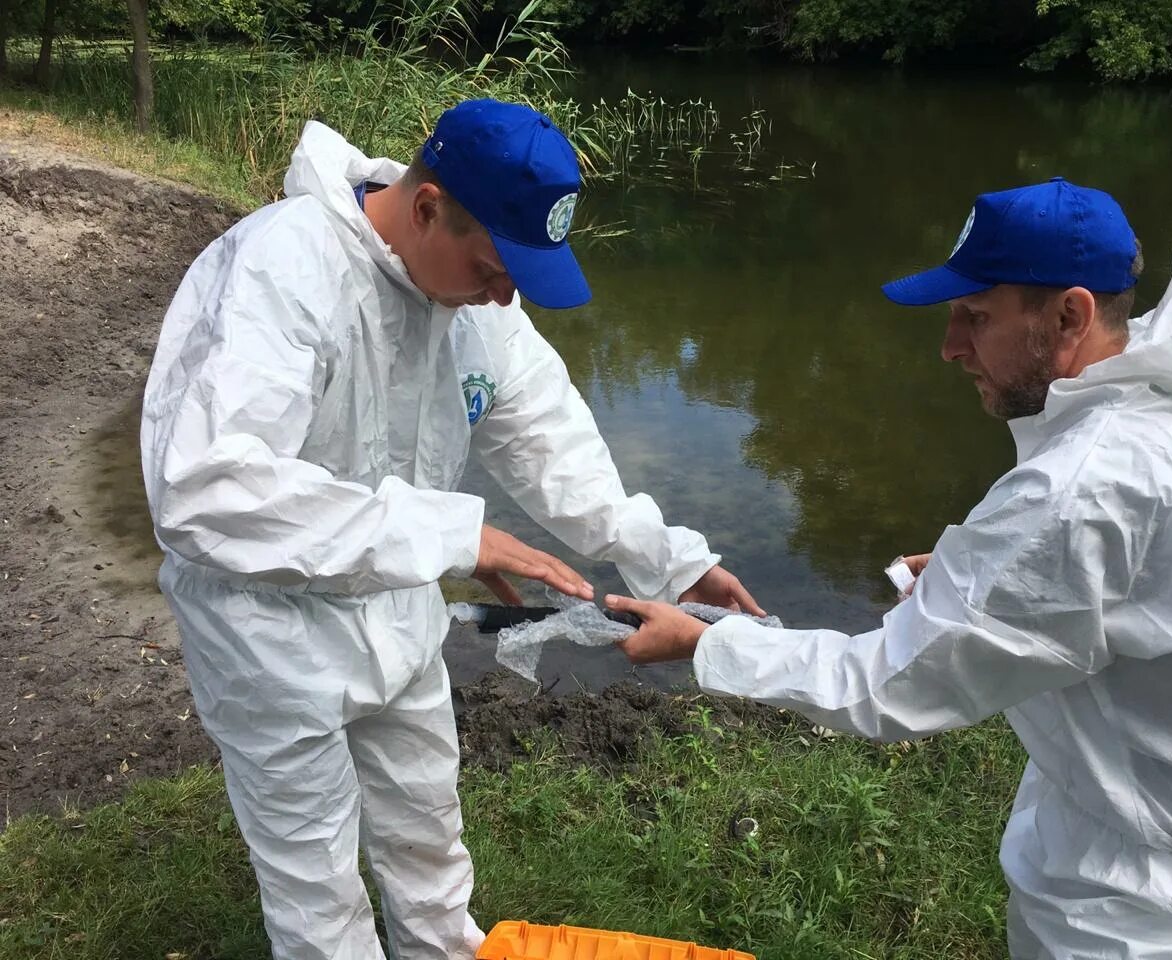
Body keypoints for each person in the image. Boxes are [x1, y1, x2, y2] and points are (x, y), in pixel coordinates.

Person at [140, 98, 762, 960]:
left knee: (428, 832)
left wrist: (672, 562)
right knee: (317, 886)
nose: (506, 293)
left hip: (395, 609)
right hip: (265, 634)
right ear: (426, 207)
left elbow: (555, 445)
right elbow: (204, 488)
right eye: (494, 266)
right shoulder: (284, 269)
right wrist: (452, 538)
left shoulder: (480, 307)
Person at [608, 178, 1172, 958]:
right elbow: (1157, 584)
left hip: (1138, 898)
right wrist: (990, 575)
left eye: (977, 317)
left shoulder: (1080, 491)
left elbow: (884, 683)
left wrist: (704, 644)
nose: (950, 346)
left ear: (1071, 314)